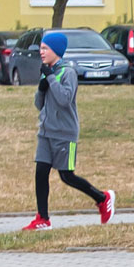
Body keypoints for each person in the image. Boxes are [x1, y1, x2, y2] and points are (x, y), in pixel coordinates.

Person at [23, 31, 116, 232]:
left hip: (64, 133)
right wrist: (41, 88)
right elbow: (39, 104)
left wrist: (51, 79)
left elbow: (65, 99)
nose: (41, 52)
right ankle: (42, 219)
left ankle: (102, 198)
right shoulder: (47, 71)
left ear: (56, 50)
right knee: (40, 173)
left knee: (67, 176)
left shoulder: (68, 73)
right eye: (41, 48)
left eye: (45, 48)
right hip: (46, 132)